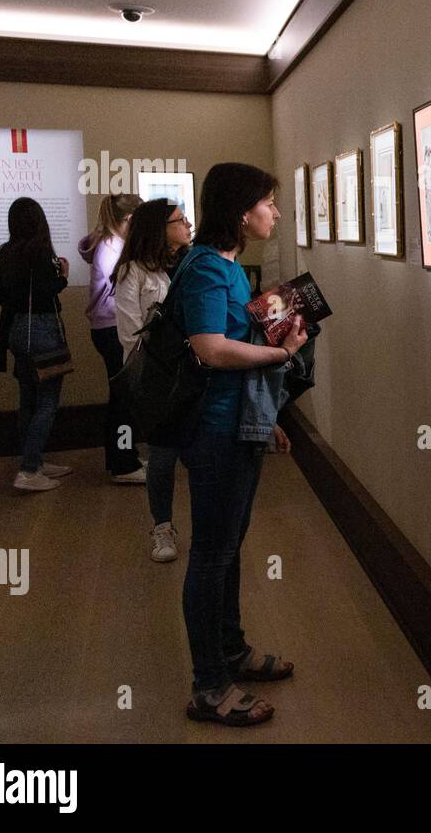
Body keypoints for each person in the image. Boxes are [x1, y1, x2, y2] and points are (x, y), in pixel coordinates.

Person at [172, 163, 306, 726]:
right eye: (268, 203)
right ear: (239, 210)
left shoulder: (225, 266)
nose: (274, 212)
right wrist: (281, 354)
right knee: (211, 556)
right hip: (214, 430)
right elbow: (209, 347)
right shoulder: (205, 267)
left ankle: (230, 651)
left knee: (227, 550)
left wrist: (267, 414)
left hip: (237, 423)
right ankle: (210, 687)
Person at [111, 199, 193, 562]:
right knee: (162, 456)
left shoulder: (190, 264)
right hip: (160, 378)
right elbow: (130, 334)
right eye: (180, 220)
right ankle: (162, 527)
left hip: (196, 371)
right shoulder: (134, 272)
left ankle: (204, 525)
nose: (188, 224)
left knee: (199, 452)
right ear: (160, 229)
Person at [0, 198, 72, 492]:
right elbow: (49, 291)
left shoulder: (6, 252)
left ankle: (33, 459)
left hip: (17, 331)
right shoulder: (40, 251)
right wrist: (62, 276)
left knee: (28, 400)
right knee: (48, 400)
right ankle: (29, 469)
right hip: (43, 330)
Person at [79, 193, 146, 483]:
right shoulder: (112, 248)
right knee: (124, 398)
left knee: (121, 397)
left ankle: (122, 457)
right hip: (112, 329)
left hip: (105, 328)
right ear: (130, 220)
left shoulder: (108, 244)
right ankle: (123, 463)